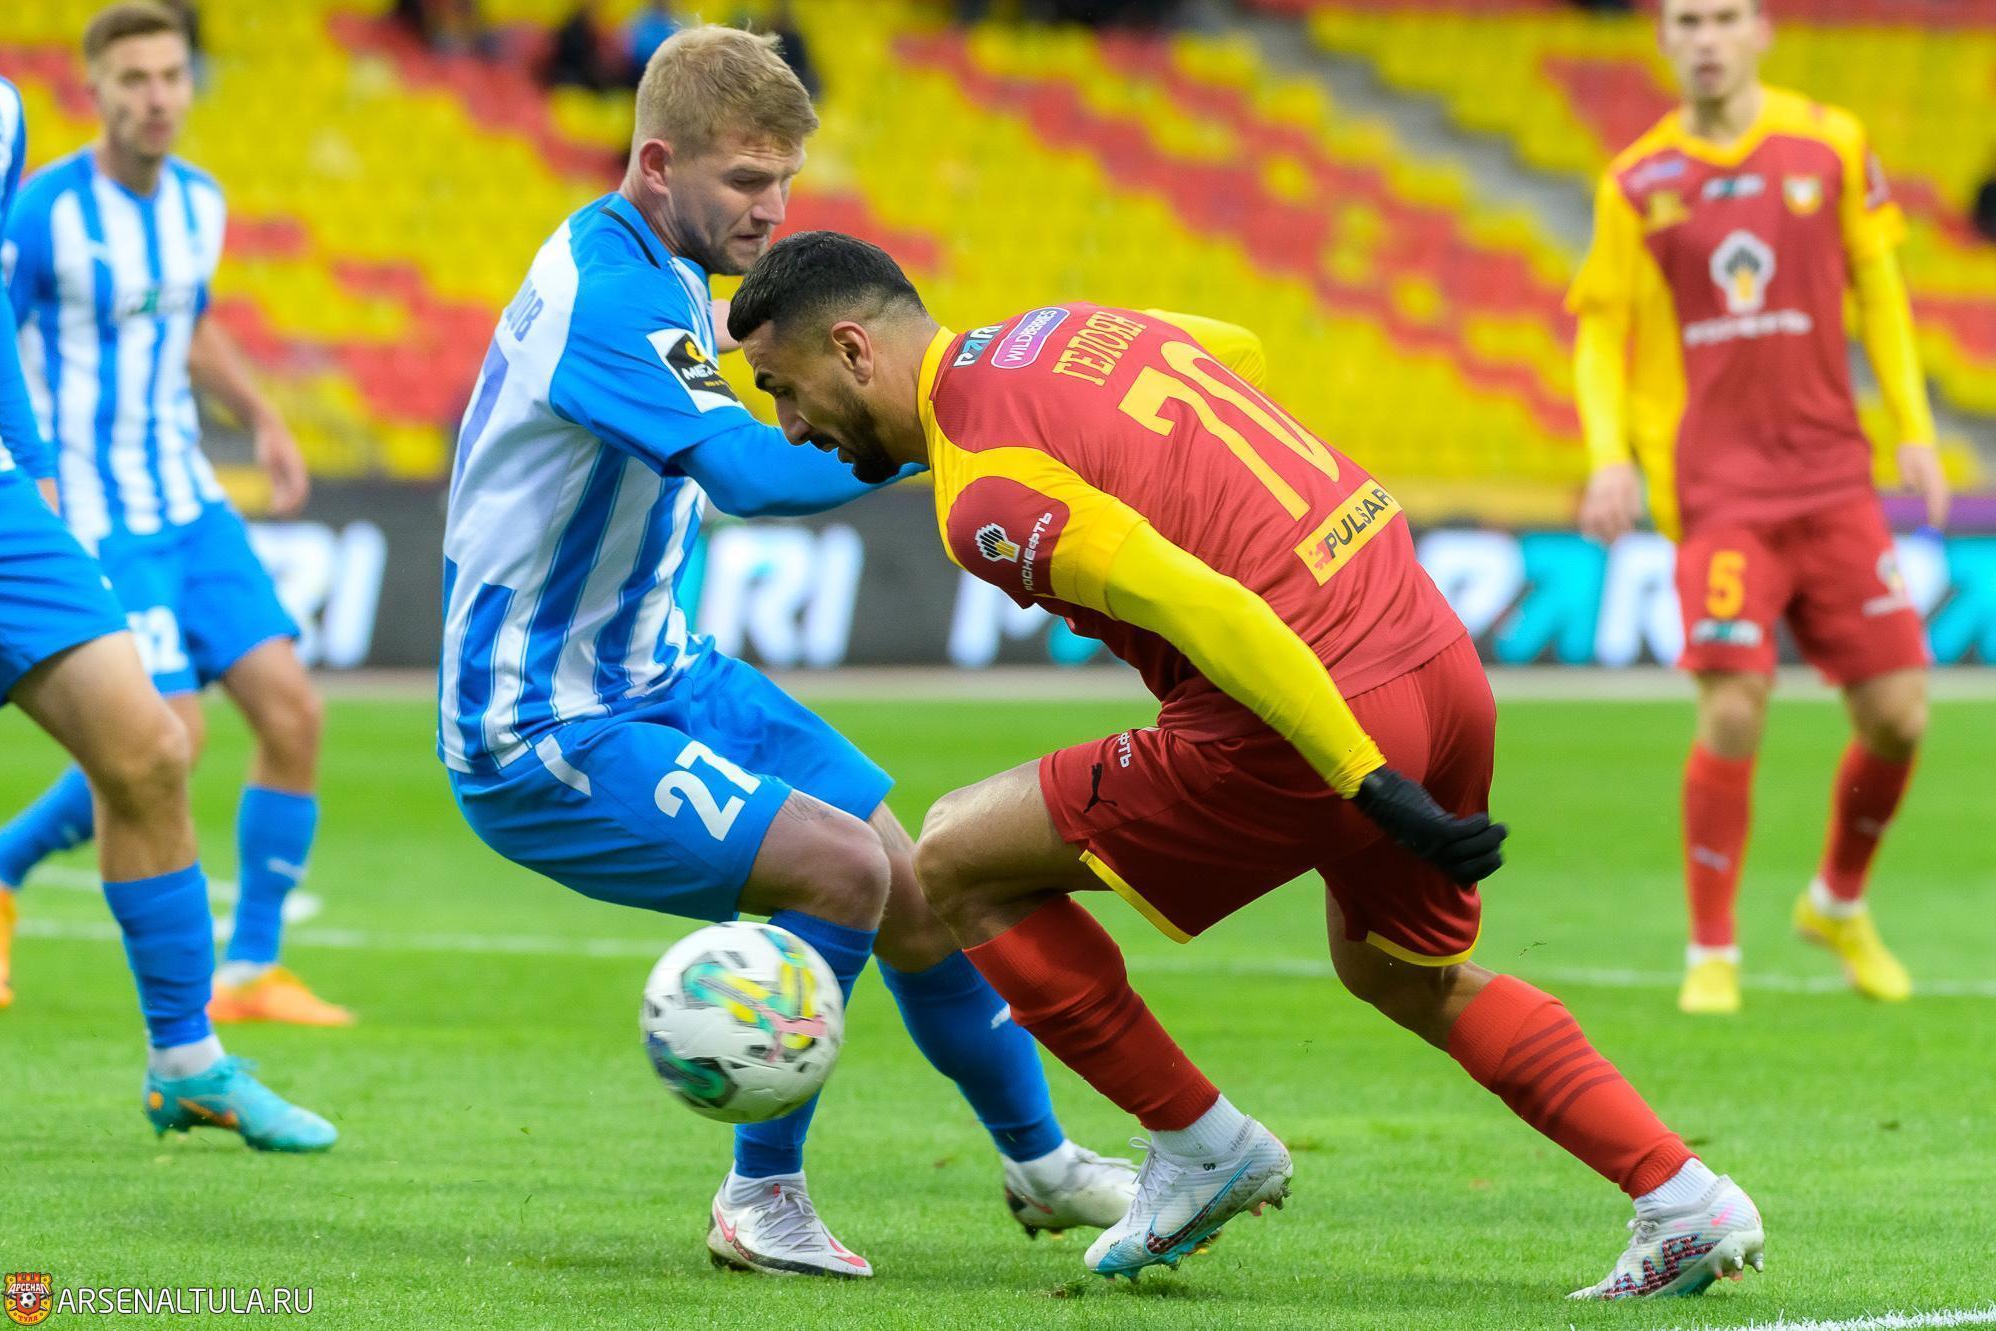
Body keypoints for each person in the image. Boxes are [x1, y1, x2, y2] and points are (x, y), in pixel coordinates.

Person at [729, 230, 1767, 1299]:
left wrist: (1360, 772)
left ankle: (1197, 1141)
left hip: (1311, 709)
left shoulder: (985, 495)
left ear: (851, 348)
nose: (790, 426)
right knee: (1400, 971)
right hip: (1429, 649)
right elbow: (1235, 350)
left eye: (783, 388)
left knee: (952, 856)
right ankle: (1682, 1194)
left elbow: (1198, 601)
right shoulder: (1066, 330)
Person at [438, 26, 1133, 1280]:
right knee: (838, 869)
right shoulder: (609, 296)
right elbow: (750, 475)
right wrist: (932, 433)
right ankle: (759, 1199)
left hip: (657, 669)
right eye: (747, 181)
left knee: (913, 881)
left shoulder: (658, 267)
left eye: (785, 181)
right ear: (658, 164)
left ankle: (1040, 1161)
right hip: (541, 721)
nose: (773, 210)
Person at [1569, 0, 1945, 1014]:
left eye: (1723, 18)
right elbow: (1598, 329)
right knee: (1734, 705)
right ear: (1663, 39)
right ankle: (1712, 950)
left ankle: (1836, 901)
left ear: (1759, 31)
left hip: (1832, 475)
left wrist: (1912, 426)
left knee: (1899, 714)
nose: (1705, 38)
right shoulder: (1636, 180)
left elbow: (1879, 288)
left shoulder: (1829, 144)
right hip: (1718, 486)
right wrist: (1607, 455)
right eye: (1686, 21)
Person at [0, 65, 332, 1150]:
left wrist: (30, 464)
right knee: (169, 732)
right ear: (101, 86)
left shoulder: (5, 114)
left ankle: (191, 1056)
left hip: (43, 501)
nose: (156, 96)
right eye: (132, 77)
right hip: (109, 508)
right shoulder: (53, 206)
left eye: (169, 75)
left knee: (154, 747)